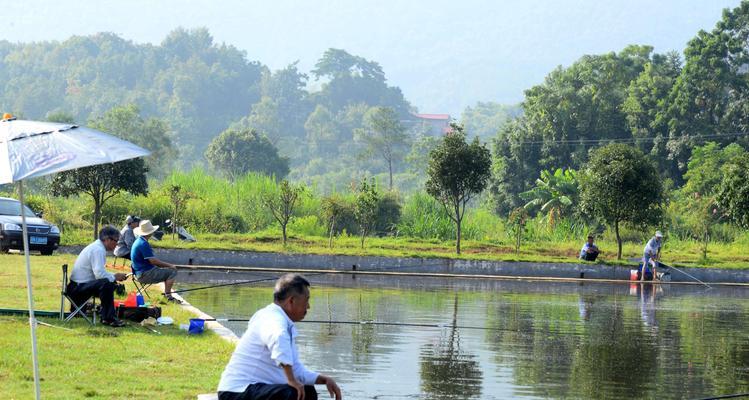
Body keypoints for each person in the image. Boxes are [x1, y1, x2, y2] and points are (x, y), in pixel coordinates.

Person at [217, 274, 342, 400]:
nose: (308, 306)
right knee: (293, 393)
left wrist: (324, 379)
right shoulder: (272, 318)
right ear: (291, 301)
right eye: (306, 300)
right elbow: (278, 337)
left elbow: (297, 370)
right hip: (236, 391)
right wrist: (291, 380)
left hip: (254, 388)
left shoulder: (282, 321)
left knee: (307, 390)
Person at [67, 225, 128, 327]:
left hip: (77, 286)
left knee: (108, 283)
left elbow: (99, 273)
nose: (117, 244)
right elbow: (99, 274)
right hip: (77, 288)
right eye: (116, 241)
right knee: (107, 284)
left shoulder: (97, 247)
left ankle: (107, 316)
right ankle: (109, 318)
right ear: (108, 240)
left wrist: (113, 277)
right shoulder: (98, 250)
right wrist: (115, 276)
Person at [130, 219, 180, 303]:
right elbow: (153, 261)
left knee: (166, 271)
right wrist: (170, 265)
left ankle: (167, 295)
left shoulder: (139, 240)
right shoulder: (143, 244)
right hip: (144, 275)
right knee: (172, 271)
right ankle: (168, 297)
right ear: (150, 233)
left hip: (139, 273)